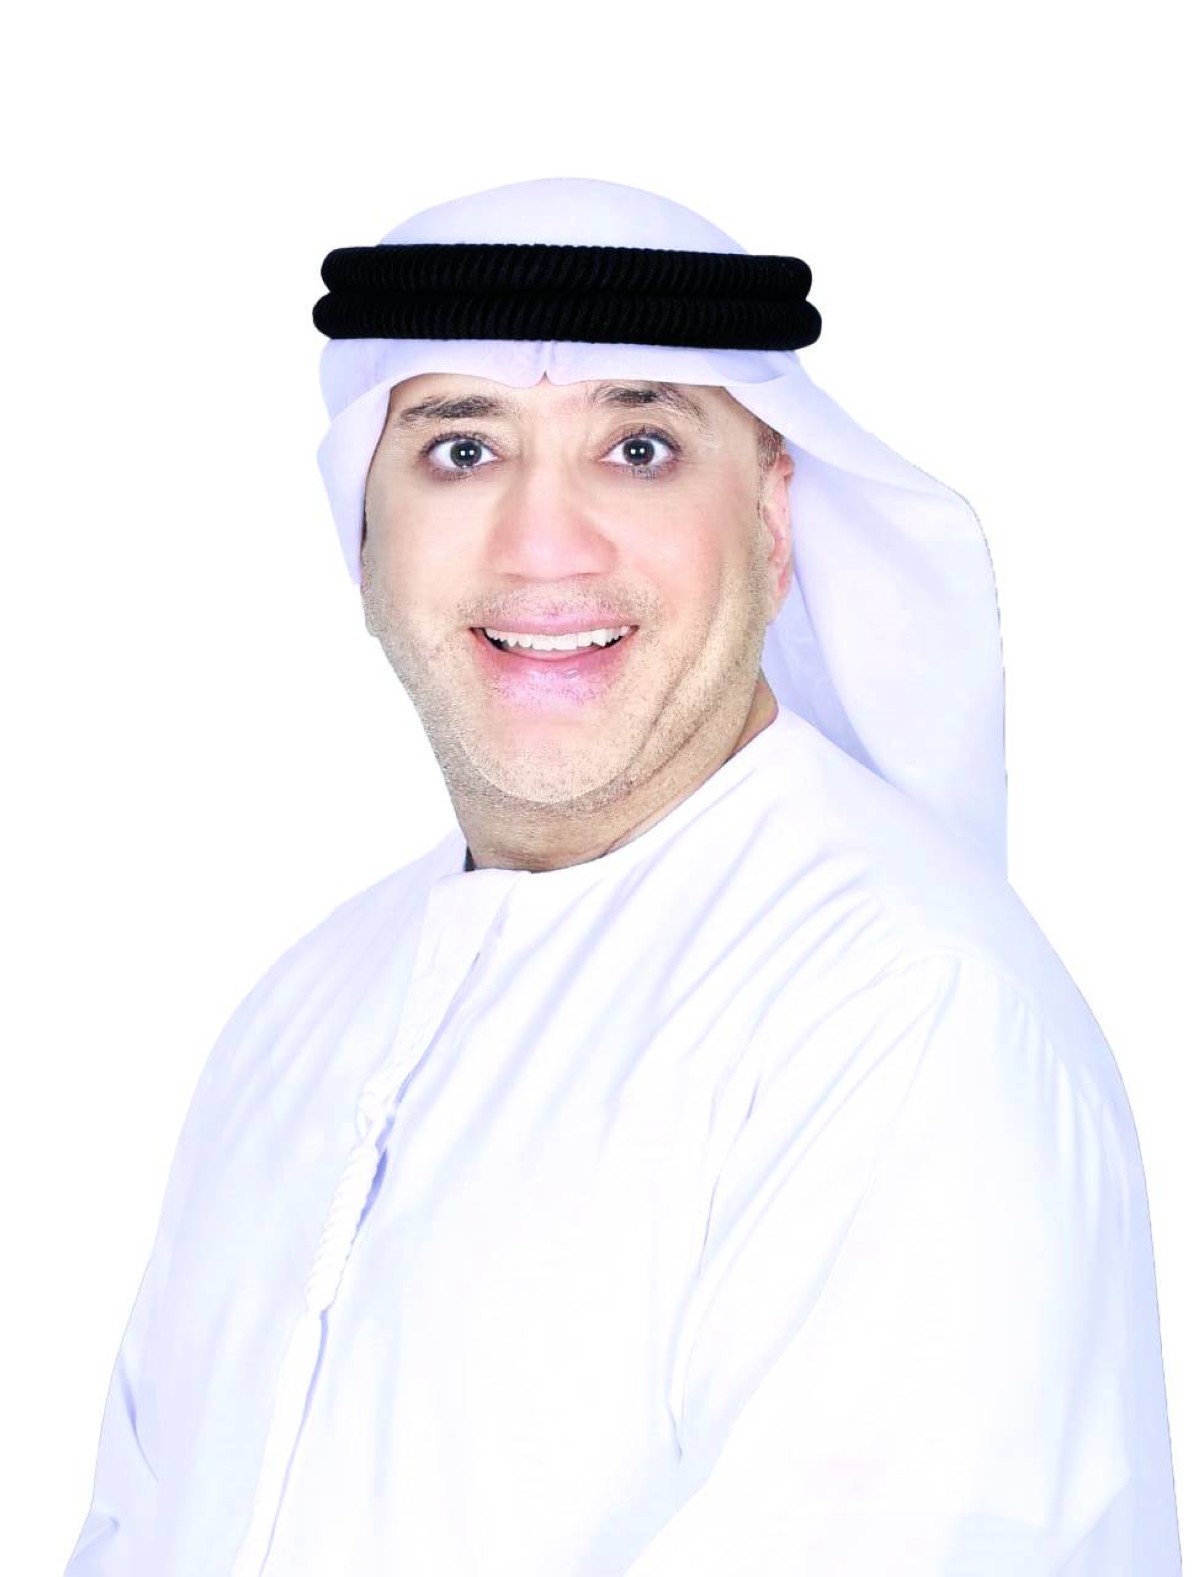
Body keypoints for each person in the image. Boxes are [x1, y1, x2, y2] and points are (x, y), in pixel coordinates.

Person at [64, 178, 1181, 1576]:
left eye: (640, 448)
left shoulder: (903, 1013)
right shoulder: (295, 1017)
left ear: (771, 520)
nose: (545, 548)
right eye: (463, 450)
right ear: (364, 530)